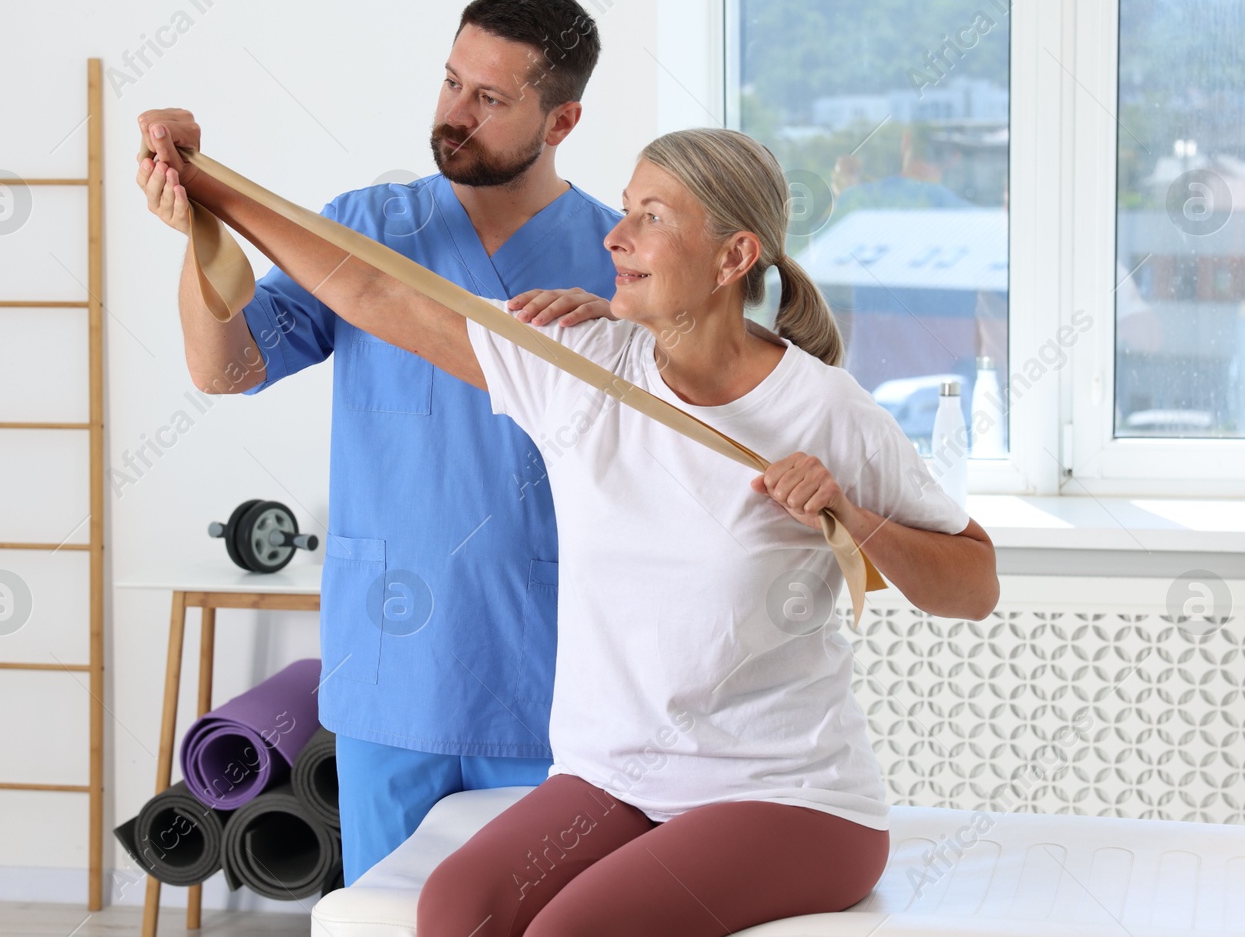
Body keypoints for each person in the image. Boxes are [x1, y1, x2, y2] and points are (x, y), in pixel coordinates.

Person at [144, 124, 999, 935]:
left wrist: (852, 514)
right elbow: (370, 288)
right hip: (615, 777)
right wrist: (205, 183)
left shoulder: (824, 409)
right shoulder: (580, 367)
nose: (616, 236)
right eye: (625, 207)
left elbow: (974, 585)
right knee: (456, 908)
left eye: (652, 218)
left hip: (788, 794)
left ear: (735, 255)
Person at [136, 0, 623, 883]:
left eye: (490, 99)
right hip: (390, 671)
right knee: (380, 917)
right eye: (449, 82)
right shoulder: (366, 228)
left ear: (562, 121)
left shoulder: (616, 257)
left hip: (552, 677)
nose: (453, 115)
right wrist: (198, 233)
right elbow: (227, 368)